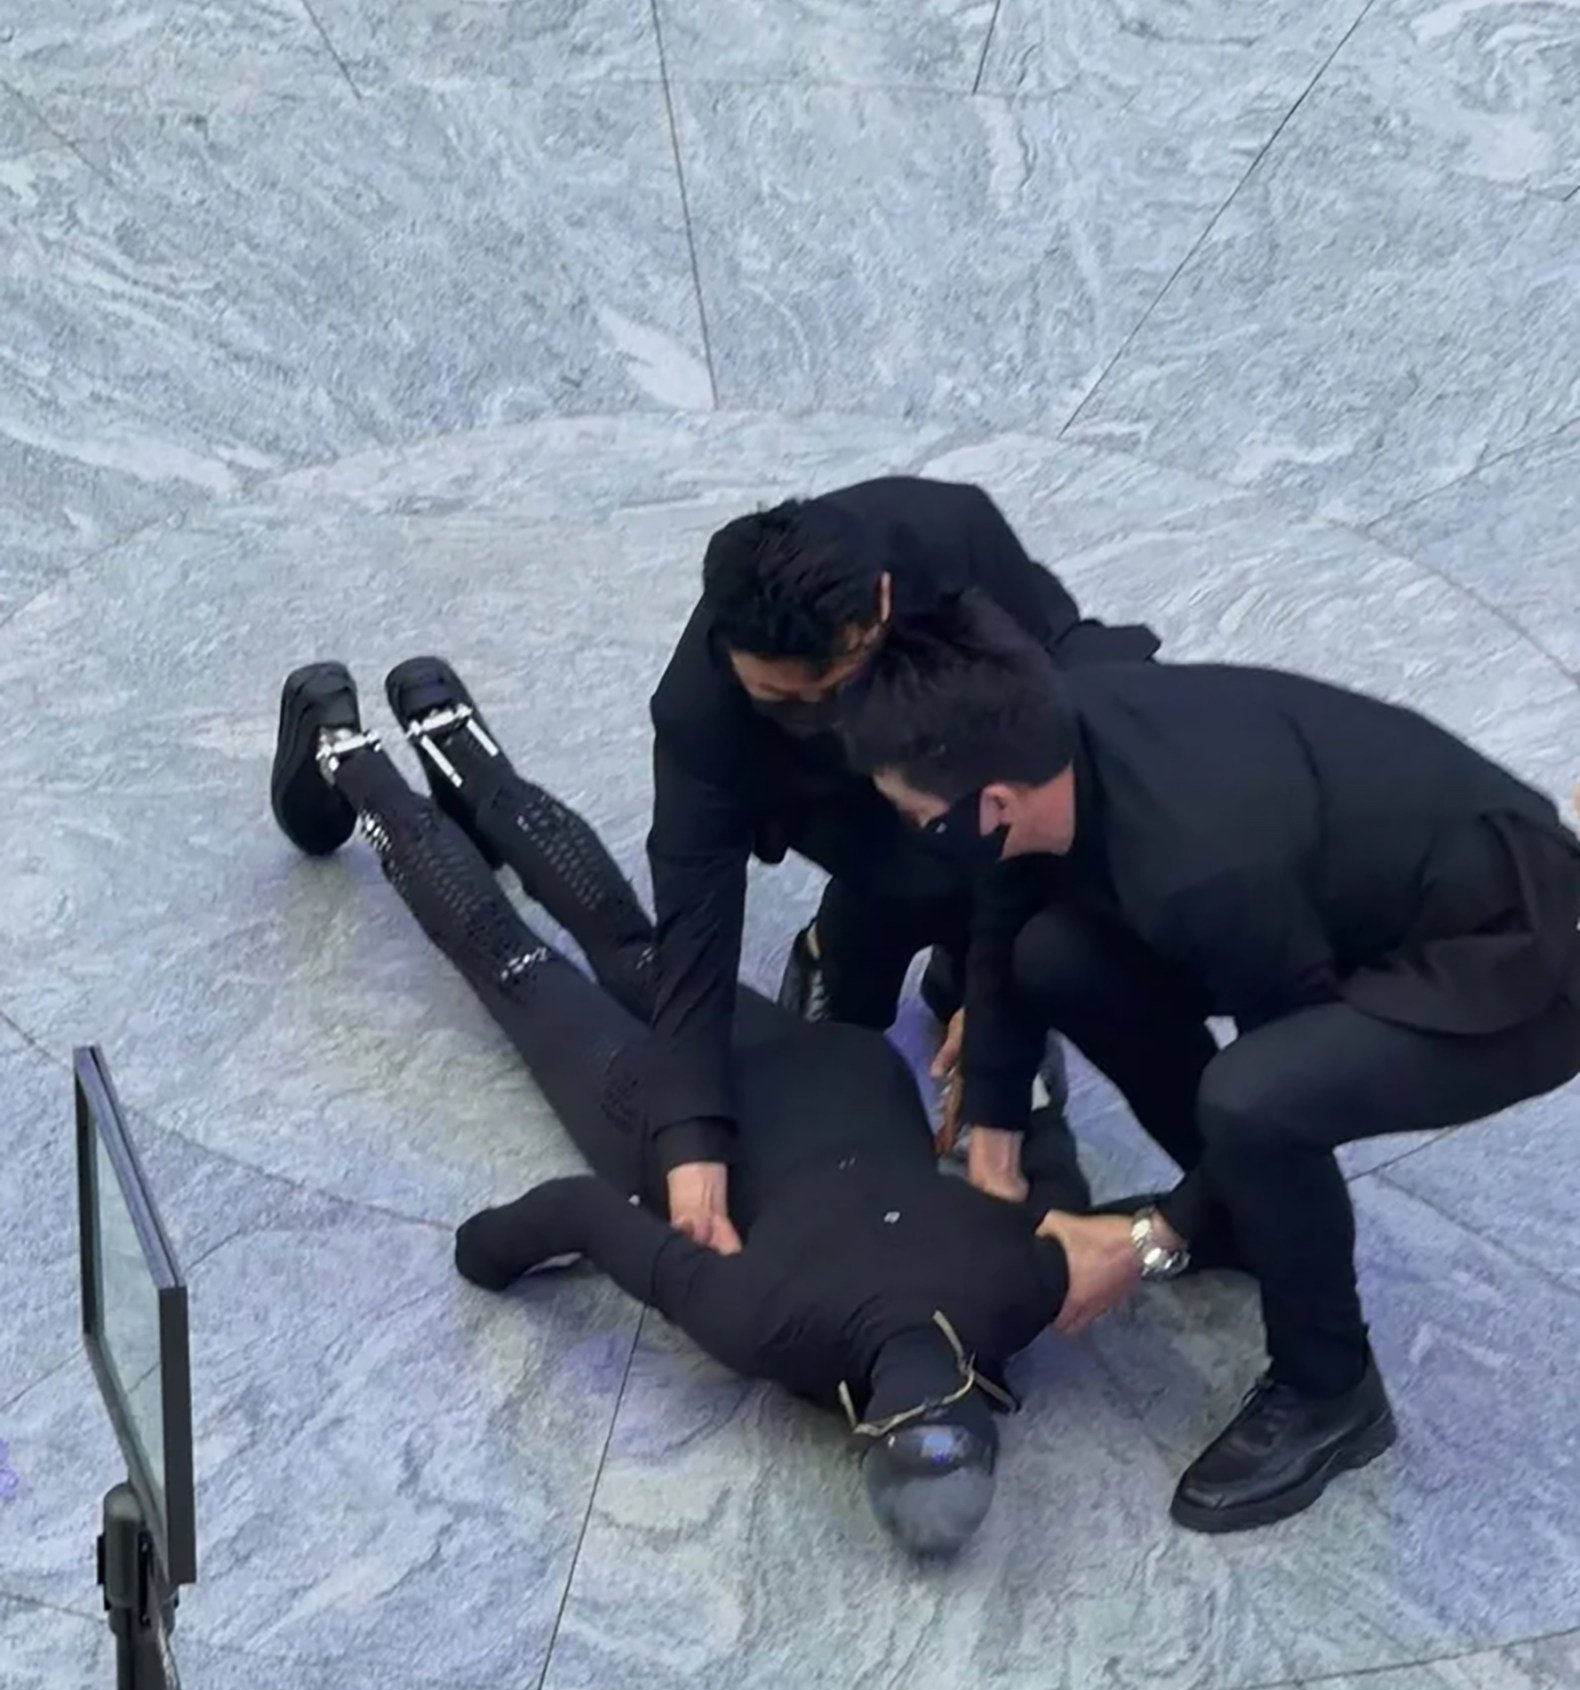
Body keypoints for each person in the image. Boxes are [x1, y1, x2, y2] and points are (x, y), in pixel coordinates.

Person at [267, 656, 1093, 1556]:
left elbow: (1047, 1130)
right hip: (664, 1117)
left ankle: (448, 729)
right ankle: (347, 749)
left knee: (628, 940)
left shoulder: (1030, 1287)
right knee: (513, 962)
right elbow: (578, 1214)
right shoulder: (770, 1325)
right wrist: (484, 1253)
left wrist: (1004, 1076)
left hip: (831, 1072)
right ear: (860, 1431)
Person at [843, 594, 1580, 1533]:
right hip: (1347, 902)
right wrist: (995, 1134)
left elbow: (1291, 1065)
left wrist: (1148, 1240)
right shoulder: (1050, 739)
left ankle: (1331, 1390)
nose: (908, 827)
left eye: (913, 813)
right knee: (1053, 956)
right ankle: (1242, 1221)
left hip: (1517, 962)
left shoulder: (1200, 865)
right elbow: (1004, 905)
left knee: (1256, 1101)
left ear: (989, 805)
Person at [647, 478, 1160, 1255]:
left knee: (1034, 878)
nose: (821, 714)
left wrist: (1000, 1002)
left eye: (833, 688)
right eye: (785, 698)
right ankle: (838, 949)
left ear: (881, 601)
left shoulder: (951, 531)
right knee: (876, 947)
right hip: (822, 799)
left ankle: (964, 973)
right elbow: (694, 923)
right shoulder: (701, 716)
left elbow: (1048, 729)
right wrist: (690, 1137)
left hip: (961, 743)